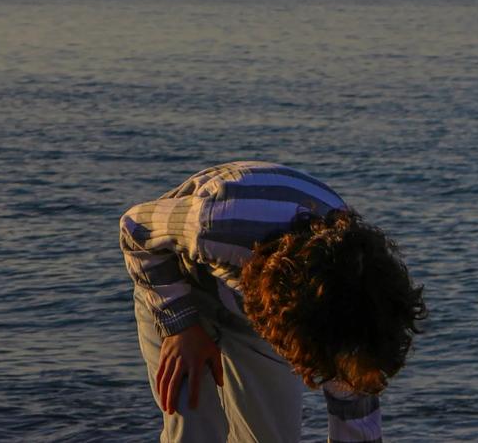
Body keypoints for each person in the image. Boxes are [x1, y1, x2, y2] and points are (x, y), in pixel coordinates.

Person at [121, 160, 426, 443]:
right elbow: (135, 228)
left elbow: (355, 414)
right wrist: (181, 326)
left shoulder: (359, 314)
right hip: (179, 287)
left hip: (264, 302)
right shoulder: (216, 222)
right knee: (193, 427)